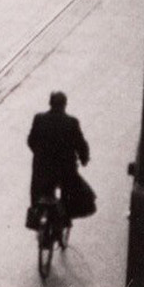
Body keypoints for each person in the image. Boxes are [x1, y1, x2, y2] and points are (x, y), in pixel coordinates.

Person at [25, 91, 93, 226]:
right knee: (70, 190)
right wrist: (84, 158)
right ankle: (66, 218)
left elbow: (31, 140)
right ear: (64, 105)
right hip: (64, 168)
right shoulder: (71, 122)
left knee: (37, 190)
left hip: (42, 167)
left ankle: (35, 215)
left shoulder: (39, 119)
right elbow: (80, 144)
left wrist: (39, 154)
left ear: (50, 103)